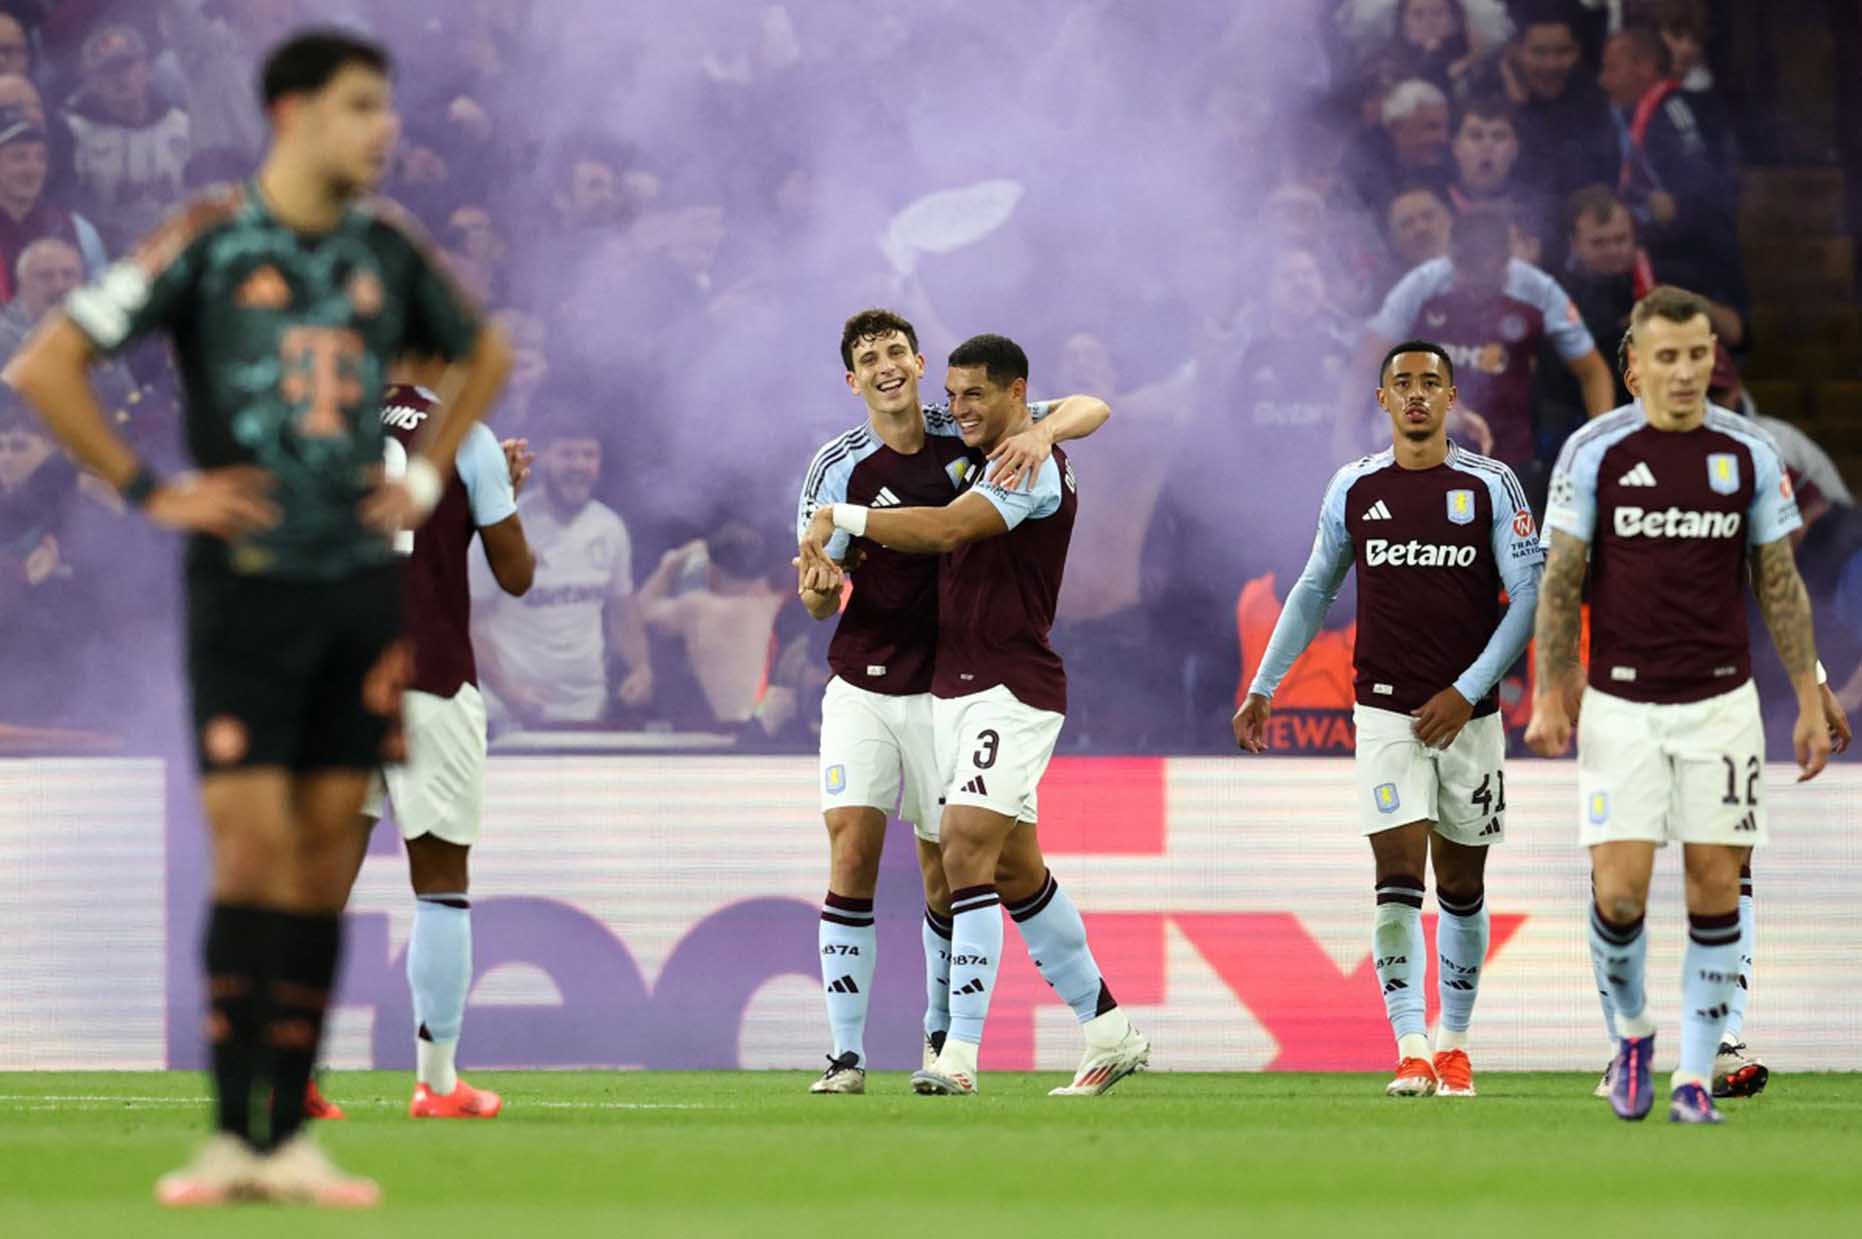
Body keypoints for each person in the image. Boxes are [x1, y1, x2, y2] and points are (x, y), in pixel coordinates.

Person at [3, 30, 512, 1204]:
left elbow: (484, 356)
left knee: (322, 848)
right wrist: (153, 489)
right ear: (292, 114)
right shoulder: (207, 237)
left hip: (355, 597)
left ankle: (284, 1139)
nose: (385, 130)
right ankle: (238, 1133)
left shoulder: (388, 247)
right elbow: (47, 363)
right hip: (244, 590)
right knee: (256, 850)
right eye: (360, 107)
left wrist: (428, 476)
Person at [799, 332, 1150, 1099]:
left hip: (1011, 686)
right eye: (953, 396)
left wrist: (845, 518)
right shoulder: (989, 446)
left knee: (961, 849)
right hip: (952, 689)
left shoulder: (1032, 465)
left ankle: (956, 1052)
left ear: (1018, 394)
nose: (957, 409)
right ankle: (1109, 1030)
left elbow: (949, 528)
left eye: (974, 396)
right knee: (1016, 869)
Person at [1525, 285, 1831, 1125]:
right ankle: (1632, 1036)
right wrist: (1553, 690)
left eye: (1700, 355)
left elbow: (1779, 582)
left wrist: (1812, 694)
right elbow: (1561, 581)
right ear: (1633, 367)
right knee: (1619, 893)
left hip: (1722, 705)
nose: (1687, 371)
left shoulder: (1747, 455)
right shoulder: (1595, 453)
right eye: (1668, 357)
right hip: (1621, 708)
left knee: (1716, 887)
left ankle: (1695, 1077)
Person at [1234, 340, 1541, 1097]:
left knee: (1462, 886)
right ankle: (1410, 1047)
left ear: (1451, 396)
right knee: (1398, 879)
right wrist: (1264, 682)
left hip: (1469, 719)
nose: (1415, 395)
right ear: (1381, 400)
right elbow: (1311, 590)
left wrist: (1467, 691)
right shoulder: (1354, 486)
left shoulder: (1492, 484)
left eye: (1429, 383)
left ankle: (1455, 1041)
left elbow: (1528, 599)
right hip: (1383, 715)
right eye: (1401, 383)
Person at [346, 362, 533, 1120]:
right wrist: (500, 490)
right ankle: (438, 1079)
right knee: (440, 877)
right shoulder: (466, 434)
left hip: (337, 678)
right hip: (431, 673)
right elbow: (515, 573)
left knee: (319, 882)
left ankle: (289, 1075)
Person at [1352, 208, 1614, 495]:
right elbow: (1369, 360)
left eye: (1488, 273)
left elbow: (1592, 371)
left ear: (1505, 260)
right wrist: (1345, 434)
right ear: (1452, 256)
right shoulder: (1421, 285)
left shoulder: (1539, 290)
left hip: (1510, 454)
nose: (1477, 283)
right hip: (1430, 450)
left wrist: (1600, 446)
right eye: (1469, 270)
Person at [469, 413, 651, 727]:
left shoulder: (609, 528)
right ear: (542, 460)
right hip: (507, 712)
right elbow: (470, 624)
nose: (579, 465)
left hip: (586, 707)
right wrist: (510, 692)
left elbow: (622, 609)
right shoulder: (502, 528)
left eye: (588, 455)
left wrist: (641, 667)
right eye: (567, 454)